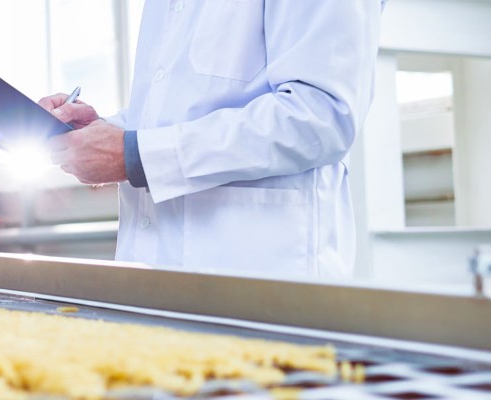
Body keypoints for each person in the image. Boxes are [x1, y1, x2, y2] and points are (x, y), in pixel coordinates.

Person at [39, 1, 383, 277]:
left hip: (260, 278)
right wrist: (101, 131)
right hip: (150, 274)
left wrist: (137, 154)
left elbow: (320, 116)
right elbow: (174, 112)